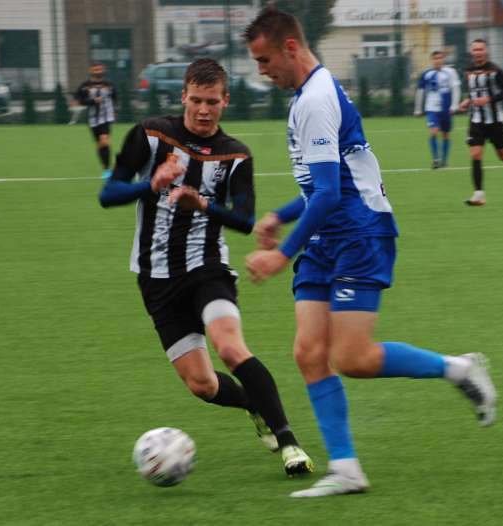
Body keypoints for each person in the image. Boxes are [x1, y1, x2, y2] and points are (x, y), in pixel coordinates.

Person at [243, 7, 497, 498]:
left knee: (352, 357)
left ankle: (460, 368)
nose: (262, 70)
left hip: (359, 233)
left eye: (264, 58)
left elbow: (333, 194)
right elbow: (324, 186)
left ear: (290, 47)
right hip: (328, 234)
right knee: (309, 352)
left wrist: (282, 252)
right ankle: (347, 469)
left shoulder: (315, 99)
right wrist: (280, 214)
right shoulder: (306, 96)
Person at [97, 58, 313, 477]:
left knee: (230, 348)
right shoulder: (151, 134)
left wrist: (204, 205)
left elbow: (245, 219)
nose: (203, 110)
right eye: (196, 100)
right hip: (155, 277)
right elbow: (108, 194)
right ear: (183, 97)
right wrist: (151, 184)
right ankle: (254, 405)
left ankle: (290, 444)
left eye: (212, 101)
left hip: (207, 268)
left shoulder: (235, 155)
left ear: (225, 101)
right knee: (203, 385)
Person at [458, 39, 503, 206]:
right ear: (472, 52)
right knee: (475, 154)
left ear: (486, 51)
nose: (477, 52)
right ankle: (478, 194)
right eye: (475, 49)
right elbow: (473, 92)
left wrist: (489, 99)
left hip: (495, 121)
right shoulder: (468, 71)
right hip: (476, 120)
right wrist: (467, 101)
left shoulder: (496, 71)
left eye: (480, 49)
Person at [414, 50, 460, 169]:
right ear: (432, 60)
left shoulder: (450, 72)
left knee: (445, 134)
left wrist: (454, 105)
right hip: (431, 108)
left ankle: (444, 161)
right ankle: (435, 159)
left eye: (440, 58)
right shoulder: (427, 74)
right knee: (433, 132)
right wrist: (418, 109)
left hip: (446, 108)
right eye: (435, 58)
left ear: (443, 59)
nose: (437, 60)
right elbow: (420, 91)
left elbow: (455, 88)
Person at [75, 62, 117, 179]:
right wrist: (93, 101)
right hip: (93, 119)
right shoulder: (85, 86)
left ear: (103, 70)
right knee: (99, 145)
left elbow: (114, 98)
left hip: (106, 118)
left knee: (104, 141)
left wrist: (115, 110)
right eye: (95, 69)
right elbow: (80, 100)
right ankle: (105, 168)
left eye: (100, 69)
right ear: (91, 70)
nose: (98, 71)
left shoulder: (109, 85)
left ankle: (108, 170)